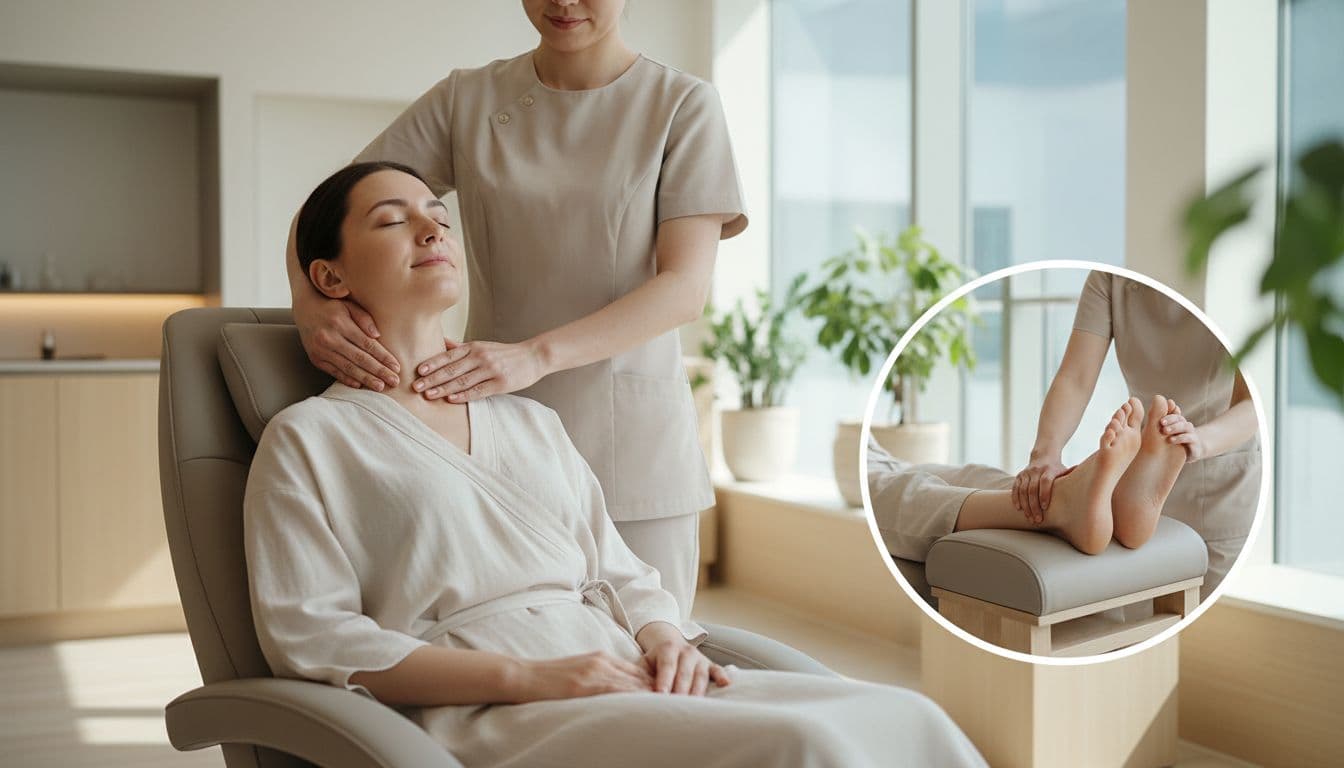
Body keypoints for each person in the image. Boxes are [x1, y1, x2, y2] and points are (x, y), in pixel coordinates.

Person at [247, 162, 986, 768]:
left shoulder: (529, 422)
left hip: (624, 669)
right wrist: (532, 677)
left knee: (908, 717)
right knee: (803, 745)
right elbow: (314, 636)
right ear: (330, 278)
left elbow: (621, 573)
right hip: (490, 710)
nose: (432, 226)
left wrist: (665, 640)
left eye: (436, 212)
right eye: (391, 220)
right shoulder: (311, 438)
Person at [285, 0, 743, 617]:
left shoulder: (682, 105)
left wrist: (535, 356)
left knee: (650, 651)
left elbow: (684, 288)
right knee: (516, 644)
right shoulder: (466, 100)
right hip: (484, 432)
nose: (564, 2)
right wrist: (310, 303)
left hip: (629, 446)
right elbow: (329, 209)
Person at [1014, 271, 1260, 598]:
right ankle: (1107, 483)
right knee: (1139, 623)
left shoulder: (1232, 269)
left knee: (1199, 628)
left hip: (1217, 474)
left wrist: (1197, 441)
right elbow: (1076, 377)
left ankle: (1112, 478)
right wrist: (1045, 454)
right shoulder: (1108, 277)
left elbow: (1254, 401)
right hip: (1138, 480)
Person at [869, 395, 1191, 560]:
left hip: (881, 454)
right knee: (897, 490)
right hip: (871, 464)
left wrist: (1043, 465)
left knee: (973, 475)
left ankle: (1106, 500)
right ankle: (1061, 506)